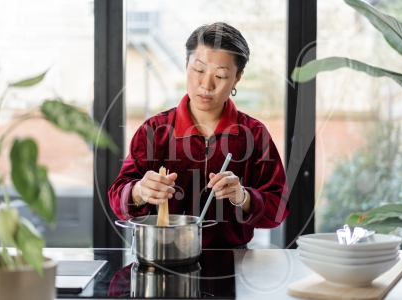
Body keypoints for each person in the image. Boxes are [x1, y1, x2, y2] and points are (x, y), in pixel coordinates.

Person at [108, 22, 290, 249]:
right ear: (186, 65)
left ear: (237, 78)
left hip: (232, 264)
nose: (206, 85)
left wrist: (243, 197)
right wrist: (138, 192)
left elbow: (278, 208)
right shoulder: (155, 131)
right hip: (163, 258)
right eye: (199, 70)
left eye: (221, 76)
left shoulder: (253, 134)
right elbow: (117, 198)